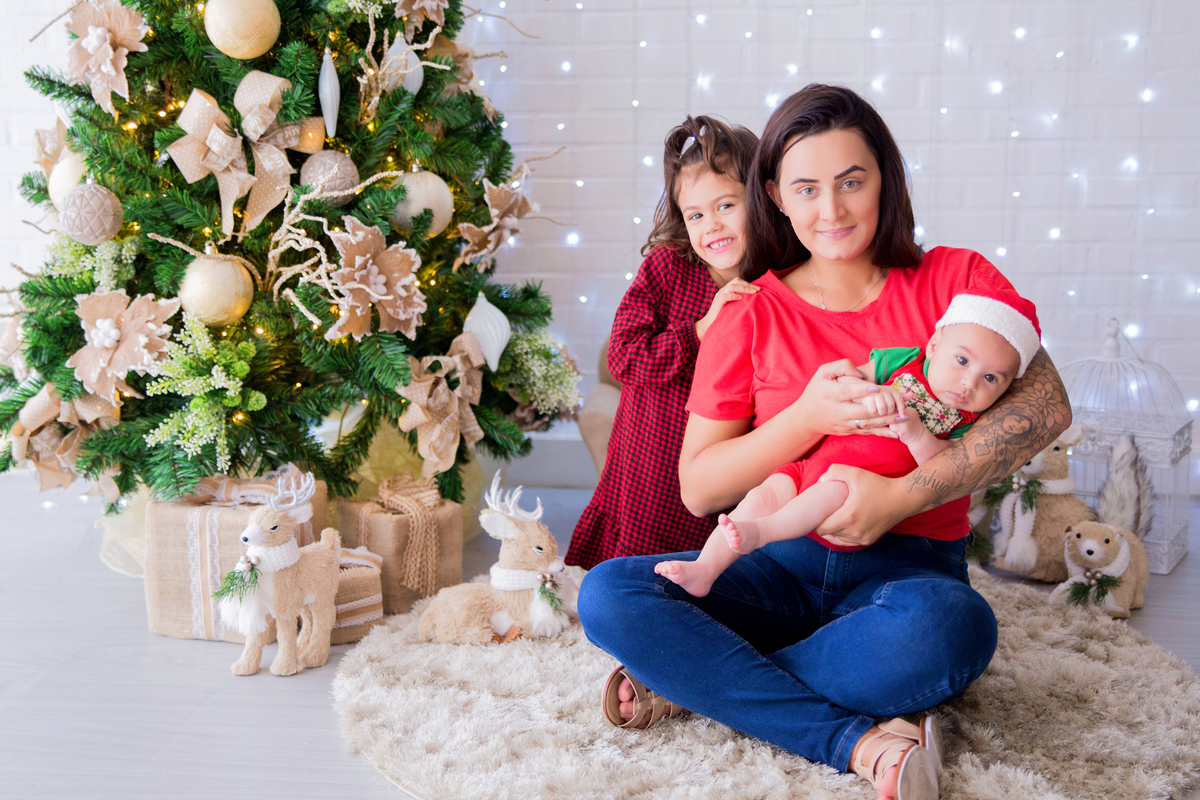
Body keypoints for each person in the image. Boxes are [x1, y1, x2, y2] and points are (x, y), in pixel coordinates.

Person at [578, 85, 1072, 800]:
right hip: (777, 563)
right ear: (774, 194)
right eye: (807, 188)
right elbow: (701, 487)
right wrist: (807, 418)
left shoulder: (955, 281)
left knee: (953, 630)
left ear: (885, 179)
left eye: (852, 182)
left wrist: (898, 496)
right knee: (612, 593)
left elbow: (1047, 405)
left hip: (906, 576)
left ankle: (701, 683)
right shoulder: (751, 310)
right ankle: (852, 740)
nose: (831, 211)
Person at [656, 288, 1042, 598]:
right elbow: (851, 381)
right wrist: (866, 392)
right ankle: (706, 569)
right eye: (962, 361)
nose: (969, 383)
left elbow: (946, 466)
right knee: (761, 494)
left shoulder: (968, 419)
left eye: (992, 379)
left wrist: (917, 434)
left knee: (829, 494)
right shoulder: (905, 361)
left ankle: (763, 533)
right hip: (815, 463)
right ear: (937, 342)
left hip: (857, 487)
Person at [564, 116, 761, 569]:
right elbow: (622, 357)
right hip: (649, 458)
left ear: (759, 200)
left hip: (723, 463)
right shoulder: (668, 269)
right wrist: (698, 331)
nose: (711, 225)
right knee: (638, 564)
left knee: (713, 561)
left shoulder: (772, 283)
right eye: (696, 214)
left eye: (726, 205)